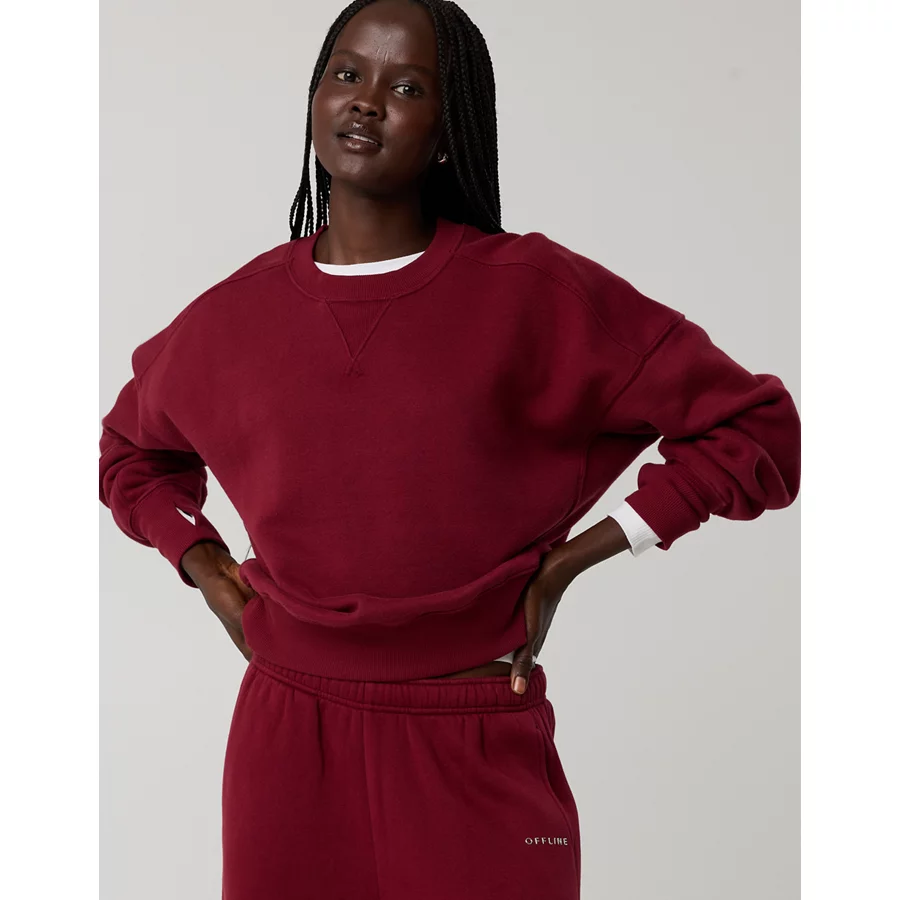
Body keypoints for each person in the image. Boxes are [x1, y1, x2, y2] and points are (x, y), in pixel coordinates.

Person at [98, 0, 801, 896]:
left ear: (448, 133)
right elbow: (131, 453)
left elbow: (757, 425)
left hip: (474, 732)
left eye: (407, 87)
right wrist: (203, 565)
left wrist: (579, 557)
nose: (366, 99)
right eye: (347, 74)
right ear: (314, 98)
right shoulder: (232, 318)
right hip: (286, 742)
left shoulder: (534, 295)